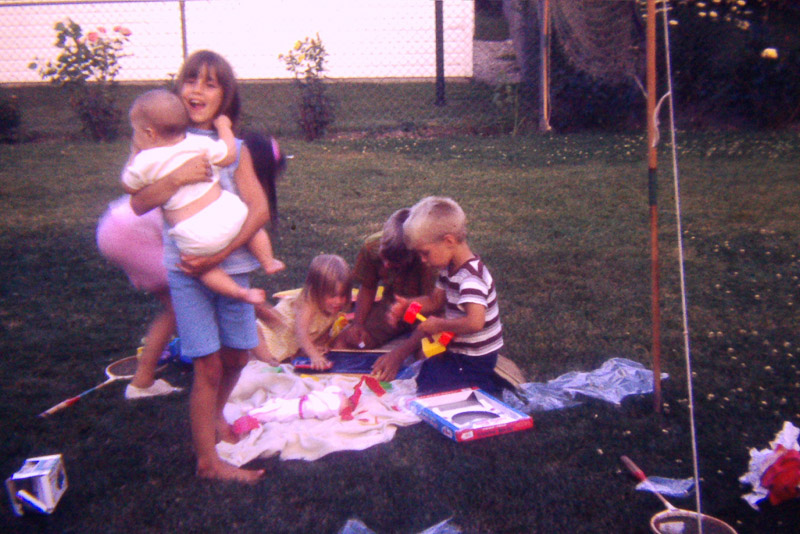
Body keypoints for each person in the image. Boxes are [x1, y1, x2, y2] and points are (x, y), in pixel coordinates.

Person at [130, 50, 273, 483]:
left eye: (210, 84)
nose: (197, 90)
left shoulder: (235, 149)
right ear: (178, 88)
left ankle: (214, 415)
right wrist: (176, 178)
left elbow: (260, 210)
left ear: (225, 97)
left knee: (238, 357)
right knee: (207, 365)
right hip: (188, 272)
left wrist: (218, 255)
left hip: (234, 268)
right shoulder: (157, 142)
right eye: (190, 80)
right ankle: (208, 462)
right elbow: (138, 203)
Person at [122, 88, 284, 305]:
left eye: (136, 132)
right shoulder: (196, 143)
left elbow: (128, 185)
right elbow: (228, 155)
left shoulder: (144, 161)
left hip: (196, 236)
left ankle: (240, 293)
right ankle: (268, 260)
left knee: (202, 269)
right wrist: (224, 127)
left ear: (150, 133)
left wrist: (134, 153)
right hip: (228, 213)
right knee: (250, 225)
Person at [371, 196, 505, 396]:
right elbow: (434, 301)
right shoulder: (448, 270)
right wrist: (408, 305)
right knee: (427, 375)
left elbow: (476, 322)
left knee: (434, 390)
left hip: (476, 357)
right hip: (457, 350)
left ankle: (486, 388)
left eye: (425, 253)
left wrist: (440, 325)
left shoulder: (471, 279)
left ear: (448, 241)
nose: (423, 260)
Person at [96, 196, 185, 399]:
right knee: (182, 303)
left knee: (178, 304)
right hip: (132, 236)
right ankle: (142, 381)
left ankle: (143, 381)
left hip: (113, 226)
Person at [332, 208, 437, 351]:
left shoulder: (428, 261)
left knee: (428, 352)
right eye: (383, 257)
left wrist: (399, 354)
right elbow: (368, 287)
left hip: (424, 311)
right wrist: (358, 324)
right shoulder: (371, 247)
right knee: (350, 339)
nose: (386, 265)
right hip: (391, 307)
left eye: (394, 264)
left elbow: (434, 303)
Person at [252, 254, 352, 370]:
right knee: (264, 365)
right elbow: (301, 333)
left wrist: (318, 345)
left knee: (280, 365)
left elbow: (323, 329)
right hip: (270, 335)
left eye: (342, 295)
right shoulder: (307, 303)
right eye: (332, 295)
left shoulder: (331, 306)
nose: (338, 301)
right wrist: (314, 355)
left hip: (288, 343)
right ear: (315, 290)